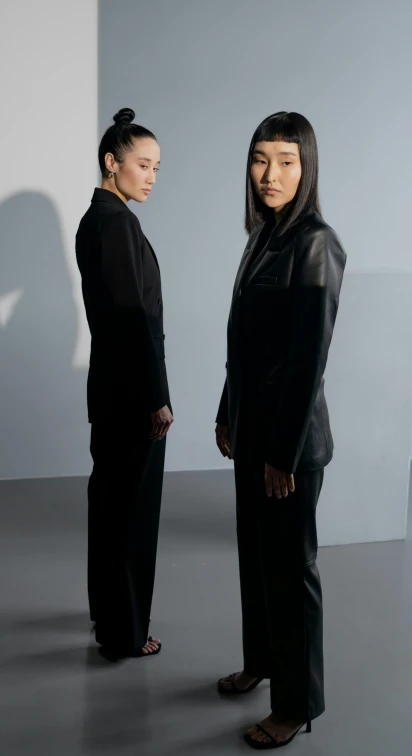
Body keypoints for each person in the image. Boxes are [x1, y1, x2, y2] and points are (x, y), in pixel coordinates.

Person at [215, 112, 346, 749]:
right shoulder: (263, 235)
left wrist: (282, 453)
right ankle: (262, 662)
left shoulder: (315, 243)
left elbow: (307, 358)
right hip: (251, 431)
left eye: (287, 162)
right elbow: (245, 342)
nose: (271, 174)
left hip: (288, 446)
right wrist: (225, 411)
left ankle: (296, 705)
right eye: (261, 159)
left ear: (307, 167)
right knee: (255, 559)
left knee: (292, 573)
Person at [76, 108, 173, 658]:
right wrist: (157, 398)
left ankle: (110, 620)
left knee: (111, 507)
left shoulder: (99, 219)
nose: (152, 176)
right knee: (131, 515)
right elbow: (133, 317)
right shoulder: (117, 224)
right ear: (112, 163)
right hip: (132, 395)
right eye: (143, 164)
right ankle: (126, 631)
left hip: (112, 390)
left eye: (157, 166)